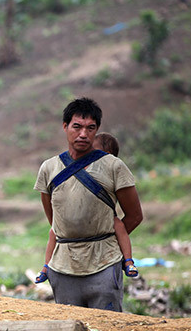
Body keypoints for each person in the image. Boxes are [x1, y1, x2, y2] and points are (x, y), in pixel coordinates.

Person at [33, 97, 143, 311]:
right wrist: (73, 236)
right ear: (65, 127)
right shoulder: (49, 168)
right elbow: (54, 219)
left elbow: (135, 215)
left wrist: (106, 238)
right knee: (71, 330)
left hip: (104, 263)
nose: (83, 134)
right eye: (77, 127)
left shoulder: (113, 166)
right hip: (64, 265)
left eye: (90, 128)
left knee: (108, 330)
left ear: (97, 130)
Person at [36, 132, 138, 283]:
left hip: (104, 229)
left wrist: (104, 241)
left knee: (119, 227)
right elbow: (51, 214)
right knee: (54, 232)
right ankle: (46, 266)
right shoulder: (54, 167)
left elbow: (135, 215)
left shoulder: (111, 168)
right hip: (67, 251)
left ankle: (129, 262)